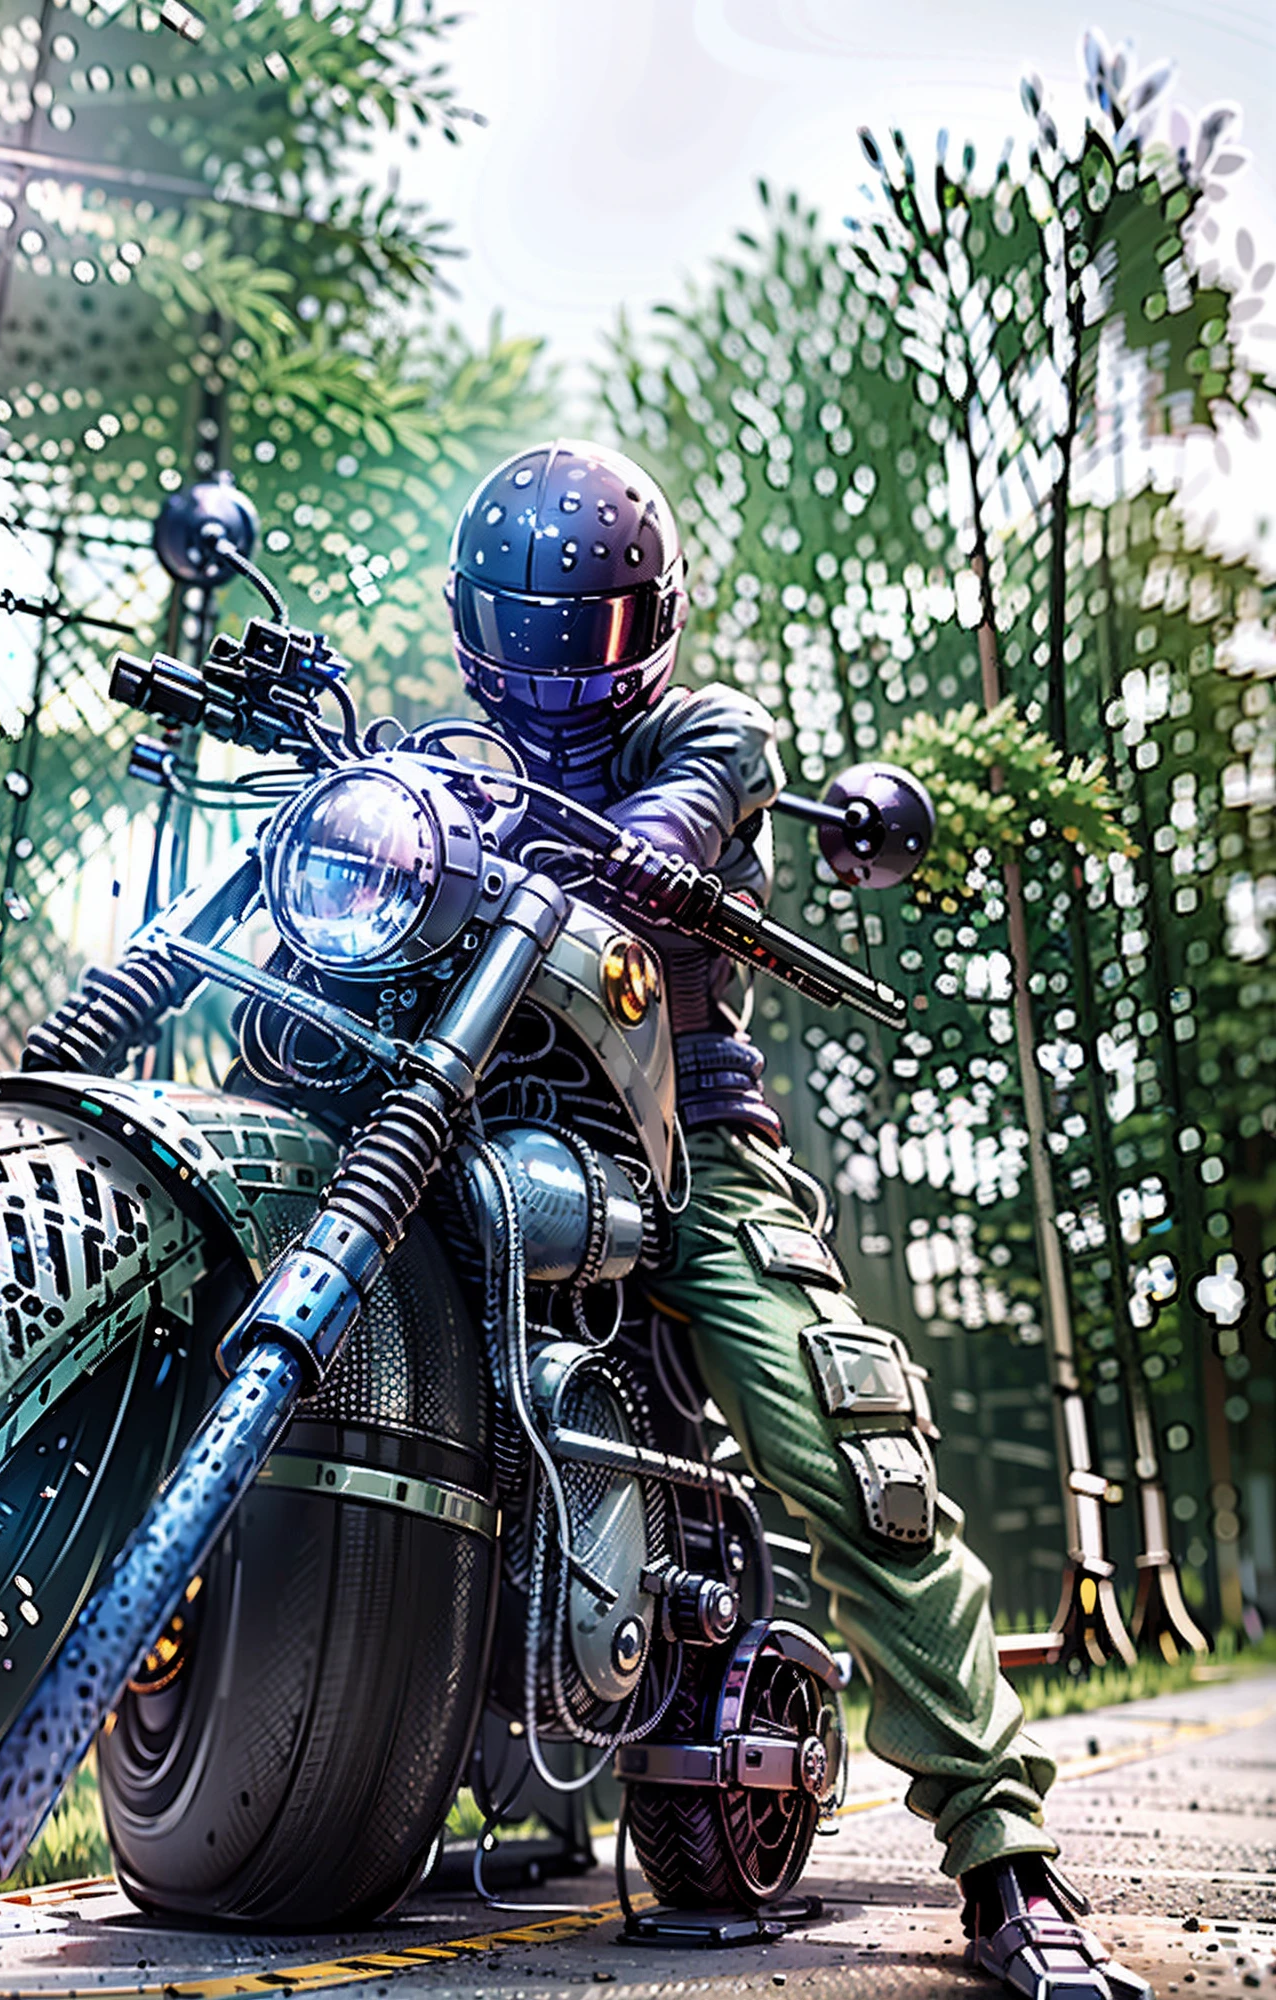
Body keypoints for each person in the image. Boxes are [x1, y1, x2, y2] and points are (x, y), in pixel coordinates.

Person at [445, 438, 1150, 2000]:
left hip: (678, 1135)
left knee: (850, 1440)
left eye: (601, 633)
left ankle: (1007, 1861)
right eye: (534, 631)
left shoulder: (711, 729)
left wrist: (659, 847)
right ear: (471, 623)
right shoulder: (448, 751)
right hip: (473, 1118)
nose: (567, 669)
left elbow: (703, 795)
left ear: (658, 622)